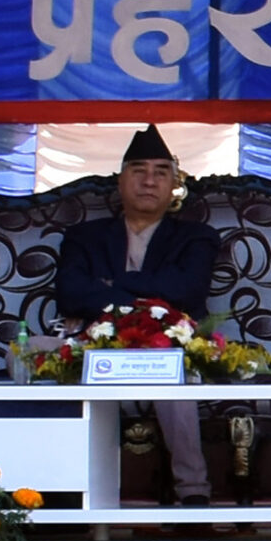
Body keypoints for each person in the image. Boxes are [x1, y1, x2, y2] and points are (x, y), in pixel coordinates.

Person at [55, 125, 222, 506]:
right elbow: (70, 293)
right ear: (120, 181)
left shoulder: (196, 237)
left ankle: (192, 493)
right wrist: (151, 294)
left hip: (169, 348)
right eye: (139, 171)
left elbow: (188, 291)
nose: (149, 181)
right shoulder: (84, 236)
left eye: (161, 173)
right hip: (94, 349)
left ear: (173, 185)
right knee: (27, 352)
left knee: (175, 375)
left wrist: (111, 284)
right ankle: (56, 492)